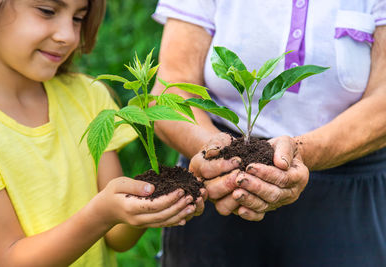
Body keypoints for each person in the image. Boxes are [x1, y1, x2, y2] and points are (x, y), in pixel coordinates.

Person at [151, 0, 386, 266]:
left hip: (345, 195)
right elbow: (170, 91)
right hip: (218, 187)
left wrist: (302, 151)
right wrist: (215, 152)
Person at [0, 1, 205, 266]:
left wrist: (154, 202)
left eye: (79, 18)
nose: (67, 35)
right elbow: (8, 259)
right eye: (47, 11)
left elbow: (116, 236)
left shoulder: (89, 96)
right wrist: (100, 214)